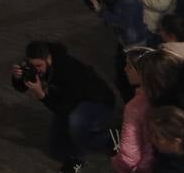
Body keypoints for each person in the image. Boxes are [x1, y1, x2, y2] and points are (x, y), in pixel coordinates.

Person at [11, 40, 116, 173]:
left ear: (49, 59)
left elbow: (65, 109)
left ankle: (105, 142)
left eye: (39, 66)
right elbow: (22, 87)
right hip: (69, 102)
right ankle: (75, 152)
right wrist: (17, 78)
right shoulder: (38, 64)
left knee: (76, 123)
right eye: (33, 66)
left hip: (98, 102)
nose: (36, 70)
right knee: (57, 149)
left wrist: (41, 95)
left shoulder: (68, 69)